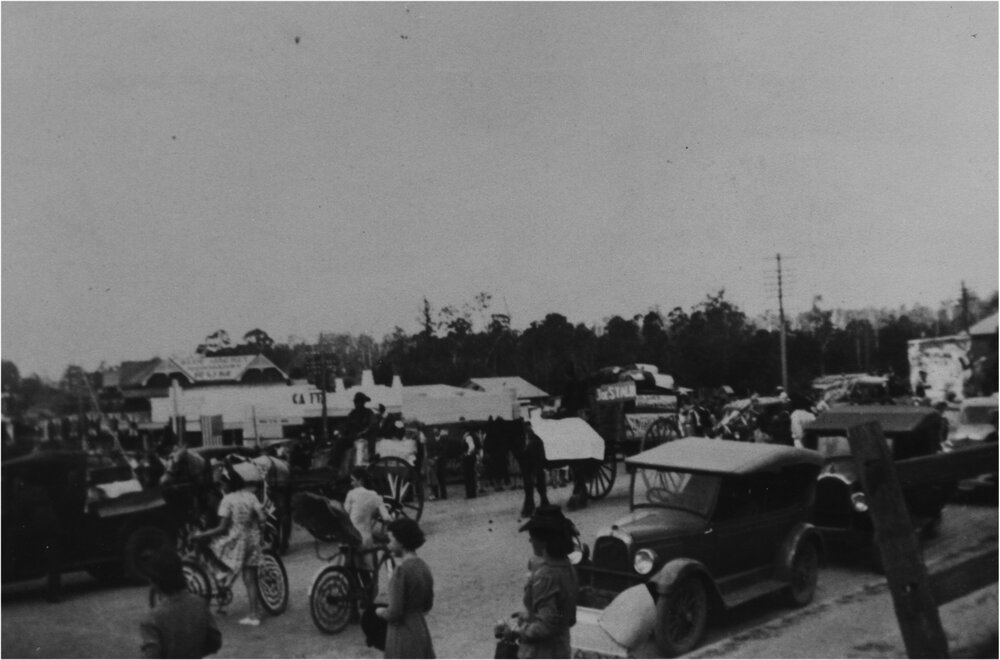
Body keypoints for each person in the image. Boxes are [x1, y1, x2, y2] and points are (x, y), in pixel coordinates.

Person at [191, 465, 265, 626]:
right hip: (253, 539)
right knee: (250, 579)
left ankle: (223, 579)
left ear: (229, 484)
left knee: (213, 549)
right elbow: (262, 517)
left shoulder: (227, 500)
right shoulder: (251, 496)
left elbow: (222, 528)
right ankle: (254, 615)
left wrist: (201, 535)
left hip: (237, 542)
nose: (221, 487)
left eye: (223, 484)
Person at [504, 505, 579, 658]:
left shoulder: (546, 575)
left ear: (544, 541)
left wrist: (515, 631)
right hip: (561, 648)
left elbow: (544, 627)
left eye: (533, 536)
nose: (530, 540)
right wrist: (528, 615)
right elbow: (568, 619)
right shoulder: (567, 566)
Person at [139, 546, 222, 659]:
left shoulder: (151, 620)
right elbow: (215, 642)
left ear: (154, 582)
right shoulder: (199, 604)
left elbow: (151, 656)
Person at [376, 518, 435, 659]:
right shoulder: (423, 566)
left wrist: (379, 611)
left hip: (402, 633)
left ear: (401, 542)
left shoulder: (401, 571)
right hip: (420, 629)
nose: (389, 545)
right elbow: (428, 604)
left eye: (391, 540)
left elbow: (394, 613)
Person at [344, 466, 385, 570]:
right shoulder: (375, 495)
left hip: (351, 537)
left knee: (353, 569)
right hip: (366, 540)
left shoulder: (351, 494)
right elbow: (386, 517)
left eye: (353, 480)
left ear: (360, 480)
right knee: (367, 570)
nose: (351, 483)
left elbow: (345, 513)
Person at [461, 423, 480, 499]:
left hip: (468, 458)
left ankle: (470, 493)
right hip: (470, 458)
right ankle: (472, 493)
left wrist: (467, 454)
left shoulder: (468, 437)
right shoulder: (469, 436)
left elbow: (472, 447)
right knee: (471, 476)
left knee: (468, 476)